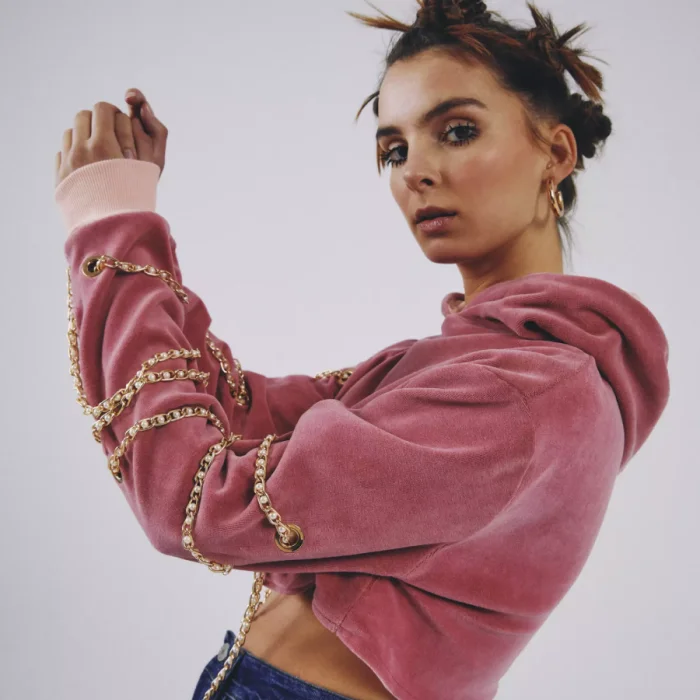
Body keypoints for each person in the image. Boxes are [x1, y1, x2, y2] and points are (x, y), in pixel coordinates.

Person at [53, 1, 670, 698]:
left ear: (555, 154)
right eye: (395, 150)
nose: (415, 172)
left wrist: (109, 224)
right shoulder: (477, 366)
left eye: (457, 132)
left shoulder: (521, 391)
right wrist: (132, 224)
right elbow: (238, 411)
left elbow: (192, 498)